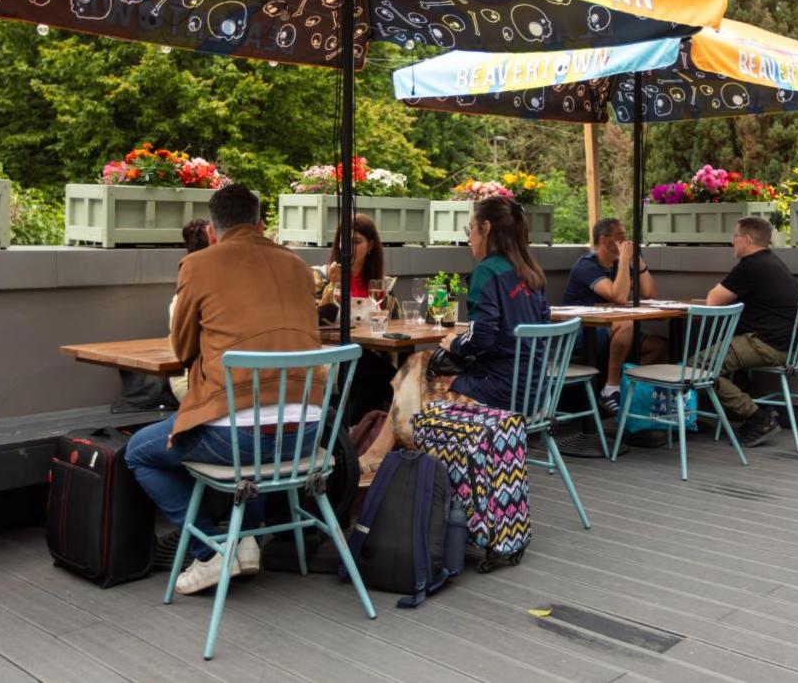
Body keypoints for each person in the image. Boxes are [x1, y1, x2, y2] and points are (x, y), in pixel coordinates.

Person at [125, 185, 322, 594]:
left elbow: (183, 349)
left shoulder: (198, 265)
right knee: (254, 422)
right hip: (307, 438)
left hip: (237, 443)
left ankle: (211, 552)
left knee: (138, 452)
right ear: (261, 225)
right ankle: (246, 540)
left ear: (212, 233)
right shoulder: (300, 267)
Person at [360, 195, 550, 471]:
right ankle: (384, 456)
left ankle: (392, 459)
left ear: (486, 227)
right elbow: (539, 329)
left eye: (470, 229)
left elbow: (482, 337)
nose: (469, 237)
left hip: (497, 394)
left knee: (414, 378)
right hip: (535, 392)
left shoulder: (487, 271)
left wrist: (455, 344)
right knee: (418, 362)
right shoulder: (531, 272)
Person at [704, 216, 798, 447]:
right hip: (785, 345)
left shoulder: (751, 266)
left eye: (735, 236)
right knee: (728, 368)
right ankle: (761, 410)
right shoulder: (773, 262)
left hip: (765, 344)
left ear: (747, 239)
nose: (732, 242)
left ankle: (758, 418)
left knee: (700, 368)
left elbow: (712, 300)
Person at [562, 217, 666, 413]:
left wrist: (638, 261)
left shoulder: (618, 265)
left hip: (608, 331)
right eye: (620, 236)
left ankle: (623, 386)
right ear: (604, 239)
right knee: (626, 324)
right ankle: (610, 389)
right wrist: (625, 259)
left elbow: (650, 293)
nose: (625, 241)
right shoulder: (587, 265)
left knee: (658, 346)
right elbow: (618, 296)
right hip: (579, 333)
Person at [317, 213, 399, 423]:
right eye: (344, 241)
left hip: (370, 357)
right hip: (331, 356)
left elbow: (393, 327)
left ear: (370, 246)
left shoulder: (382, 286)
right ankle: (363, 432)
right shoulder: (322, 278)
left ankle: (360, 432)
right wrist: (333, 285)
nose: (349, 248)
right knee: (374, 373)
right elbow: (316, 321)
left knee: (375, 371)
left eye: (356, 242)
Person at [167, 218, 210, 402]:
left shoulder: (180, 298)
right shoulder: (186, 297)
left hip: (213, 382)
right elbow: (185, 351)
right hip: (193, 383)